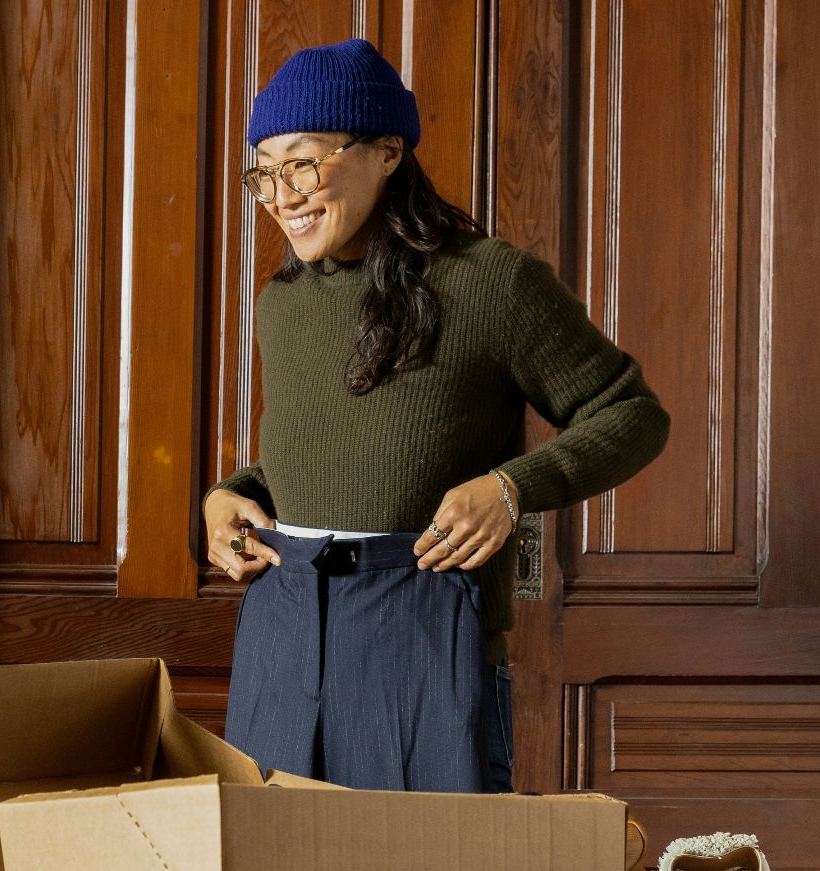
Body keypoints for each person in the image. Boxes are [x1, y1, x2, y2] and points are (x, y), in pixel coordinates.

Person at [204, 39, 670, 794]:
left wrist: (512, 488)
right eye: (264, 172)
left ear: (387, 151)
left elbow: (632, 414)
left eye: (302, 162)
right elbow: (322, 450)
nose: (281, 194)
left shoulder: (493, 283)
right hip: (280, 629)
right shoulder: (283, 304)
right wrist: (227, 494)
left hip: (422, 624)